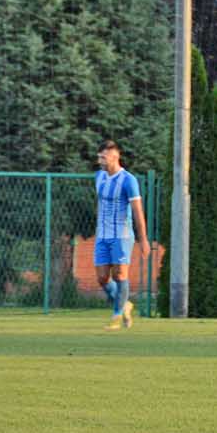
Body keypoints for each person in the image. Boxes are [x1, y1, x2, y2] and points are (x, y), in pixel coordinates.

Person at [93, 140, 147, 331]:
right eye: (99, 157)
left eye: (103, 157)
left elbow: (138, 211)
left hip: (122, 235)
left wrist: (144, 239)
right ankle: (125, 304)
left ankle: (116, 316)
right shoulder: (99, 177)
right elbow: (100, 203)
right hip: (102, 235)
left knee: (120, 274)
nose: (100, 160)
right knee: (101, 277)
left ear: (115, 156)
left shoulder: (128, 180)